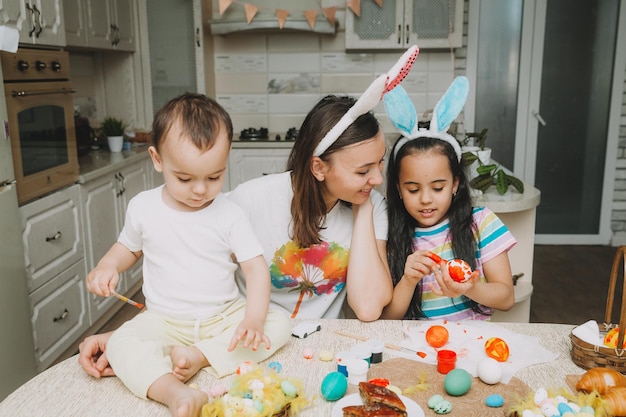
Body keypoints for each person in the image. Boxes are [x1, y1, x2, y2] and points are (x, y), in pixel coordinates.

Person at [78, 45, 421, 382]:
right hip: (235, 335)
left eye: (379, 164)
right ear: (319, 167)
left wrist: (361, 204)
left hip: (308, 339)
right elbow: (188, 271)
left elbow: (368, 307)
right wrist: (144, 332)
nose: (378, 179)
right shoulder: (251, 200)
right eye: (363, 171)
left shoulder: (371, 206)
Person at [85, 92, 290, 417]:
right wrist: (108, 265)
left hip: (223, 317)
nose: (200, 190)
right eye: (184, 178)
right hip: (162, 320)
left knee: (277, 324)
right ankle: (176, 393)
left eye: (214, 177)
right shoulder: (143, 207)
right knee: (120, 344)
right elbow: (128, 248)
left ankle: (198, 356)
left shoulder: (230, 214)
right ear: (157, 159)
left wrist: (252, 319)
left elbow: (255, 270)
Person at [381, 77, 516, 320]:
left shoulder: (481, 224)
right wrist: (408, 280)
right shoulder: (389, 232)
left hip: (471, 345)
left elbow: (506, 298)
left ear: (455, 184)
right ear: (398, 189)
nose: (425, 199)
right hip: (416, 346)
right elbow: (388, 319)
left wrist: (470, 287)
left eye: (438, 188)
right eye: (413, 190)